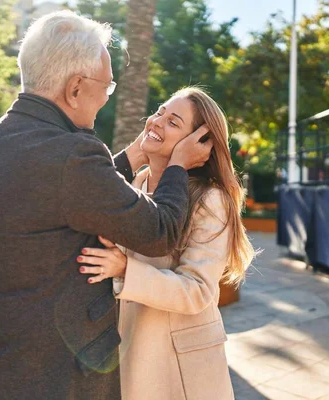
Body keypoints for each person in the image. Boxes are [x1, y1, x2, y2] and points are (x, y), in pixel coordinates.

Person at [0, 11, 213, 399]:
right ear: (75, 88)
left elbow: (64, 195)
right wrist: (177, 166)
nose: (106, 96)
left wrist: (134, 154)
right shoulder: (72, 155)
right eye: (107, 86)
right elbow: (160, 231)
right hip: (47, 381)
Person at [78, 87, 256, 400]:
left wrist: (124, 270)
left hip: (181, 367)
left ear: (199, 143)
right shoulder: (136, 183)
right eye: (159, 111)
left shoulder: (210, 200)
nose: (157, 121)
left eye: (173, 122)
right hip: (129, 352)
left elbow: (198, 292)